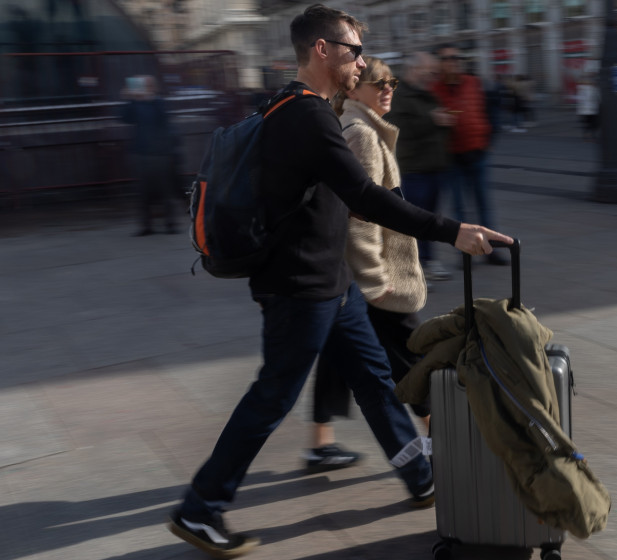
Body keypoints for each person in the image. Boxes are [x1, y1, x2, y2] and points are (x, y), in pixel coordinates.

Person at [166, 6, 512, 559]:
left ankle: (418, 474)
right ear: (321, 50)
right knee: (272, 396)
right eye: (354, 51)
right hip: (300, 287)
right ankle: (200, 507)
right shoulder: (305, 114)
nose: (362, 63)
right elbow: (365, 196)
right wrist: (453, 231)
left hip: (333, 282)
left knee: (374, 379)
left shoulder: (295, 105)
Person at [304, 56, 433, 473]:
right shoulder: (361, 134)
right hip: (377, 274)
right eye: (378, 83)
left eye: (391, 82)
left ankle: (320, 443)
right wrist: (376, 280)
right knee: (411, 355)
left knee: (337, 355)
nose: (388, 89)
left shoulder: (361, 128)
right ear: (353, 89)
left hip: (353, 275)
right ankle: (436, 438)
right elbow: (359, 217)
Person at [432, 43, 508, 266]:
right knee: (459, 210)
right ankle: (465, 254)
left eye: (456, 58)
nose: (453, 62)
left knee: (484, 204)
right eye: (447, 59)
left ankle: (490, 250)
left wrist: (489, 140)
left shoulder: (474, 83)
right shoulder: (434, 89)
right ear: (440, 63)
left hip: (477, 153)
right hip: (452, 158)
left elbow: (492, 110)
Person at [385, 51, 455, 283]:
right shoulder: (399, 96)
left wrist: (443, 122)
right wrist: (433, 120)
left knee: (431, 219)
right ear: (414, 70)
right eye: (430, 72)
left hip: (434, 167)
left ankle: (427, 261)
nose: (433, 76)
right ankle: (412, 268)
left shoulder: (427, 94)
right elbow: (398, 130)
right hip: (413, 170)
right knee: (414, 221)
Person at [120, 75, 180, 236]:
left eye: (147, 85)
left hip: (161, 154)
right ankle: (146, 226)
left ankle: (170, 224)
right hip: (141, 153)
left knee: (165, 190)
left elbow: (164, 119)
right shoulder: (136, 103)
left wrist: (150, 99)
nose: (144, 89)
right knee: (142, 192)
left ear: (153, 87)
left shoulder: (159, 102)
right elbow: (124, 118)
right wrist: (129, 99)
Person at [576, 77, 599, 141]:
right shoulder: (591, 89)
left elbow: (580, 101)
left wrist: (579, 111)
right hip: (590, 110)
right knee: (591, 123)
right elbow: (582, 100)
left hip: (588, 110)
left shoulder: (584, 90)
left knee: (589, 123)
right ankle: (591, 136)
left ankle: (587, 136)